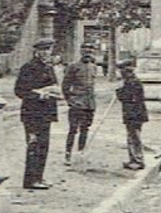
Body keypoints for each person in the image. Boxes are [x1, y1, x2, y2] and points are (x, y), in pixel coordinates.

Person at [13, 39, 60, 190]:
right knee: (34, 145)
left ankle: (39, 177)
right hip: (32, 113)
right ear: (37, 51)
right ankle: (30, 180)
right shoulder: (29, 67)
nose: (47, 53)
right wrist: (39, 95)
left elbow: (53, 86)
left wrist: (55, 92)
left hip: (46, 113)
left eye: (49, 50)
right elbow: (20, 91)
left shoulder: (49, 67)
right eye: (44, 50)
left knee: (43, 146)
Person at [62, 44, 101, 164]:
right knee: (73, 129)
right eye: (85, 50)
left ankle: (80, 153)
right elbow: (65, 85)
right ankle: (68, 155)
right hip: (77, 102)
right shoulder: (73, 66)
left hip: (89, 103)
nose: (88, 53)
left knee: (85, 129)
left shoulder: (94, 67)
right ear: (81, 51)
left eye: (91, 50)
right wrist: (69, 100)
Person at [115, 58, 150, 170]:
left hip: (134, 114)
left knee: (134, 137)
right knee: (132, 137)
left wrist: (119, 91)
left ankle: (138, 160)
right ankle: (134, 159)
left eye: (122, 70)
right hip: (133, 113)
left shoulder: (132, 83)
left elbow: (127, 98)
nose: (121, 72)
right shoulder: (131, 82)